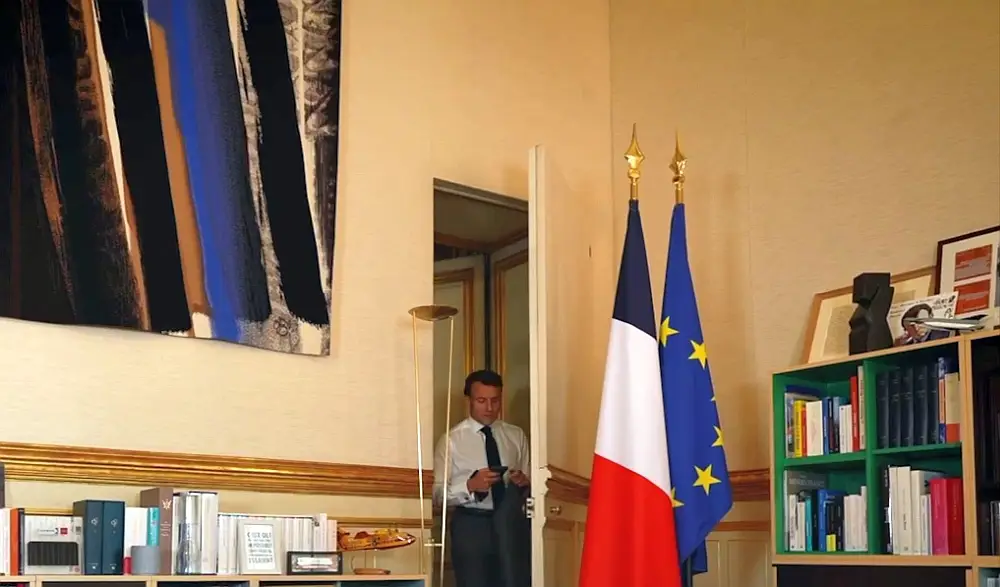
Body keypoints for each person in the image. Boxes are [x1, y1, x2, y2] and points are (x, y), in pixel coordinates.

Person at [432, 369, 530, 587]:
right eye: (481, 400)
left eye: (495, 400)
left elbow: (531, 482)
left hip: (511, 524)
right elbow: (437, 495)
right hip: (471, 525)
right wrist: (469, 486)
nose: (489, 408)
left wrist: (524, 482)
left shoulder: (516, 436)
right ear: (469, 400)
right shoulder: (451, 441)